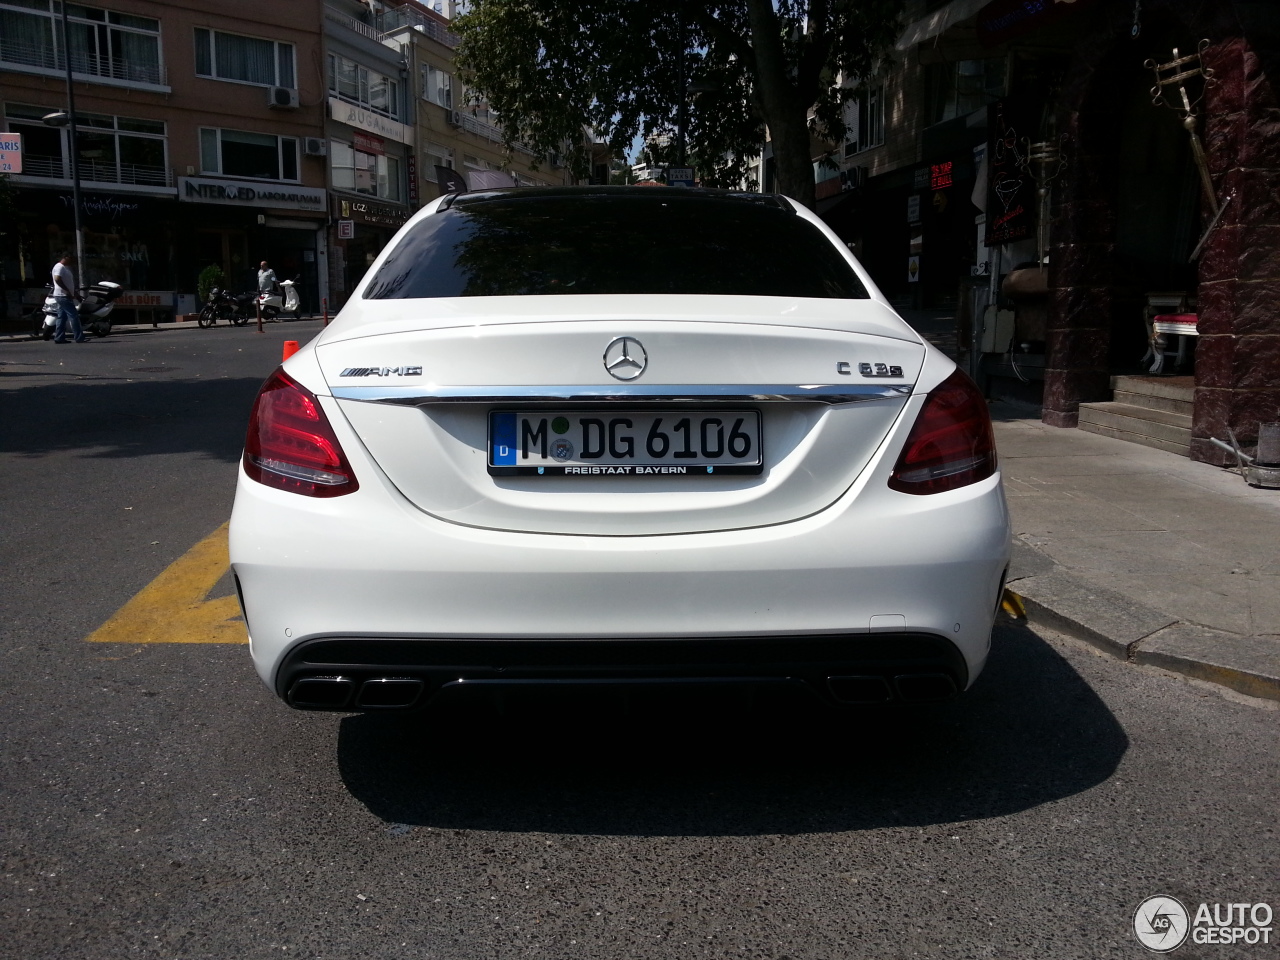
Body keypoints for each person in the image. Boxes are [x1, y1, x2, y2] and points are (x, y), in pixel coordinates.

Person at [51, 253, 85, 344]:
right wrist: (68, 291)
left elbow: (69, 284)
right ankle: (79, 337)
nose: (72, 261)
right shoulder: (59, 267)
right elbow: (57, 279)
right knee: (74, 316)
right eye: (71, 259)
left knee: (61, 317)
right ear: (65, 257)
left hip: (63, 295)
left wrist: (75, 294)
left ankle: (59, 337)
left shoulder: (65, 268)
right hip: (63, 296)